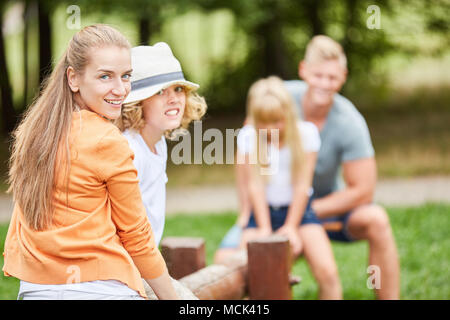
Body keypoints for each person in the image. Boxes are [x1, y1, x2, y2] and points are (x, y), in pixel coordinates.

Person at [3, 25, 178, 300]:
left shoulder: (33, 133)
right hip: (100, 290)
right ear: (73, 78)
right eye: (105, 76)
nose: (120, 89)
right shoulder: (107, 140)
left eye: (126, 76)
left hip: (36, 290)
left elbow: (20, 227)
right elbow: (137, 237)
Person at [223, 76, 343, 299]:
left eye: (277, 120)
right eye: (263, 123)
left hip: (299, 212)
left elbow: (302, 184)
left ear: (288, 114)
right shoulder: (249, 137)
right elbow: (255, 185)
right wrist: (265, 229)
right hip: (262, 212)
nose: (270, 128)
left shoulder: (306, 134)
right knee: (243, 271)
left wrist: (291, 226)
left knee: (328, 272)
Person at [115, 43, 207, 246]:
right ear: (137, 102)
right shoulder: (130, 151)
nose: (174, 98)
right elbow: (123, 231)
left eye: (178, 89)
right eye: (160, 92)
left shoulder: (158, 143)